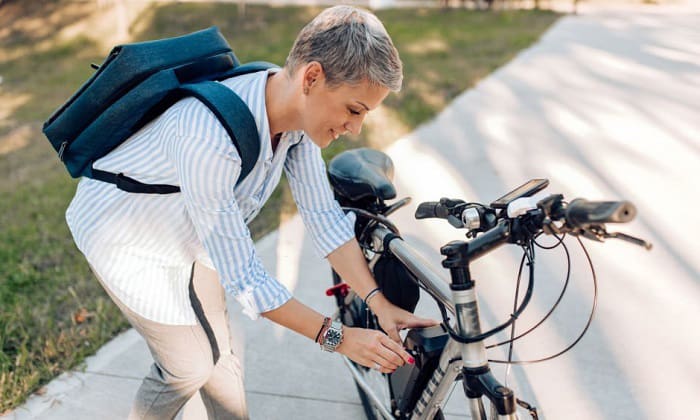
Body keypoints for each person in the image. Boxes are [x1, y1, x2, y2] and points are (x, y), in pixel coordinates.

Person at [65, 5, 437, 419]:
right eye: (353, 110)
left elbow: (325, 220)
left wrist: (378, 302)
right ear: (312, 77)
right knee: (188, 366)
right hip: (126, 240)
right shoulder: (207, 137)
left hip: (190, 232)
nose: (355, 129)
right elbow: (248, 281)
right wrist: (339, 338)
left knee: (221, 358)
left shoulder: (296, 122)